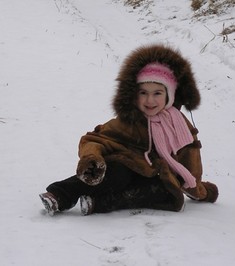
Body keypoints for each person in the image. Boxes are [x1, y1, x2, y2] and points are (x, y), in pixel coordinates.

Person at [39, 44, 218, 216]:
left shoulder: (180, 125)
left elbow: (191, 164)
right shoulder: (130, 120)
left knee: (166, 191)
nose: (150, 100)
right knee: (116, 173)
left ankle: (97, 203)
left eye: (157, 93)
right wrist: (92, 157)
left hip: (157, 177)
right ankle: (60, 195)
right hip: (127, 168)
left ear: (169, 95)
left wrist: (203, 192)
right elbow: (96, 139)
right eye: (143, 93)